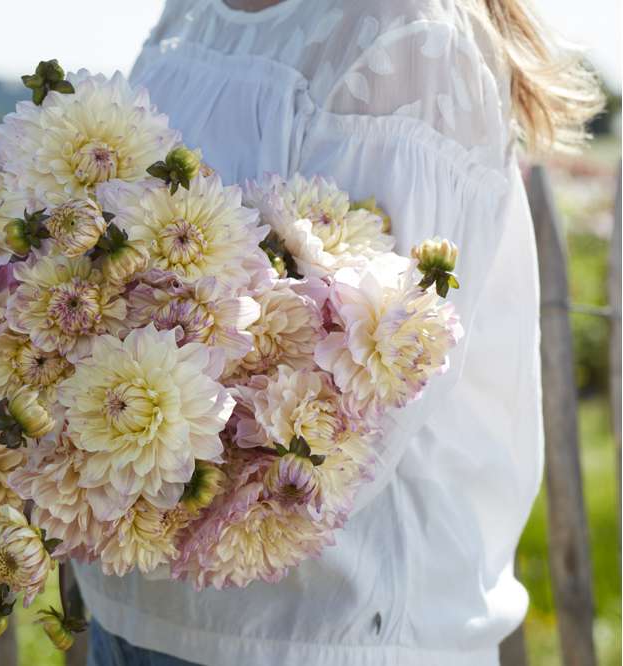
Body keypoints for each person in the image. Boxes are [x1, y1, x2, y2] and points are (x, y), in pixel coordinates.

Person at [75, 1, 604, 664]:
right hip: (132, 618)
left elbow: (344, 430)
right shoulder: (190, 13)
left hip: (319, 637)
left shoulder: (404, 41)